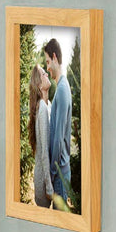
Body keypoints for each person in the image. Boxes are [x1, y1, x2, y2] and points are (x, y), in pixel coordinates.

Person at [45, 38, 71, 202]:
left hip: (59, 176)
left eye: (48, 61)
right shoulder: (62, 86)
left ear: (54, 57)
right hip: (60, 174)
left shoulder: (62, 89)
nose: (47, 67)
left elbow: (59, 139)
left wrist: (52, 173)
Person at [28, 64, 54, 208]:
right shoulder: (42, 108)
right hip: (43, 182)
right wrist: (49, 186)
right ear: (39, 85)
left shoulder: (48, 104)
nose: (47, 75)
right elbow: (44, 151)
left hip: (46, 176)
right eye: (44, 74)